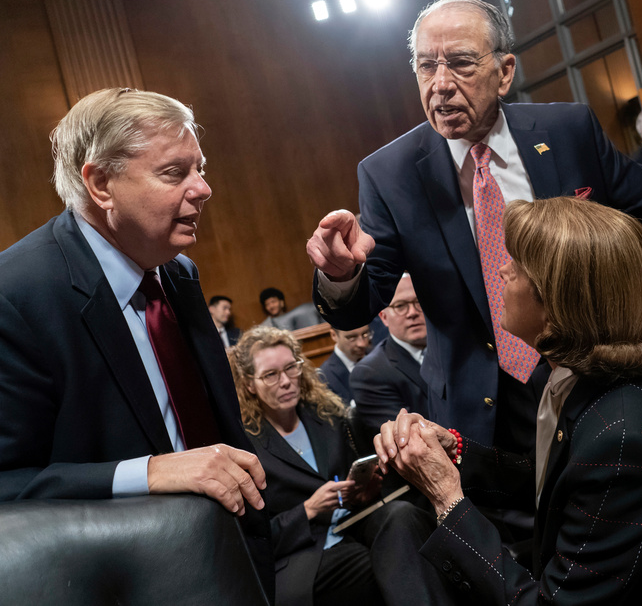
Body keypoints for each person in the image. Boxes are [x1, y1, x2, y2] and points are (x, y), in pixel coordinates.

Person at [306, 0, 642, 448]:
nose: (440, 83)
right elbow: (357, 308)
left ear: (504, 71)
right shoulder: (389, 174)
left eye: (459, 62)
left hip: (600, 373)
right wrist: (341, 275)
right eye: (426, 66)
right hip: (485, 411)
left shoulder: (567, 130)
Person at [375, 197, 642, 604]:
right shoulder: (581, 370)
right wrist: (457, 454)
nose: (502, 270)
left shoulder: (623, 441)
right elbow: (559, 485)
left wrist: (446, 497)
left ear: (556, 303)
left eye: (516, 265)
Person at [0, 88, 272, 594]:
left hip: (229, 562)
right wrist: (145, 473)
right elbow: (7, 482)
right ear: (101, 183)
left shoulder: (179, 272)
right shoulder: (15, 297)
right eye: (175, 173)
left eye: (201, 168)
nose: (204, 188)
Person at [230, 326, 446, 606]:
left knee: (403, 515)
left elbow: (353, 494)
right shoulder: (245, 446)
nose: (285, 381)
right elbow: (250, 538)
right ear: (249, 384)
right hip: (304, 554)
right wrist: (307, 511)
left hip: (353, 525)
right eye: (271, 375)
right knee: (396, 559)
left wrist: (362, 494)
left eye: (290, 368)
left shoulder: (328, 417)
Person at [349, 274, 430, 435]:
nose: (412, 312)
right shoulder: (369, 373)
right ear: (384, 317)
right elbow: (407, 436)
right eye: (400, 306)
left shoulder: (453, 351)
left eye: (418, 302)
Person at [318, 324, 373, 404]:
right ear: (334, 335)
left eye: (365, 334)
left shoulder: (381, 354)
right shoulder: (324, 378)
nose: (362, 344)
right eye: (352, 338)